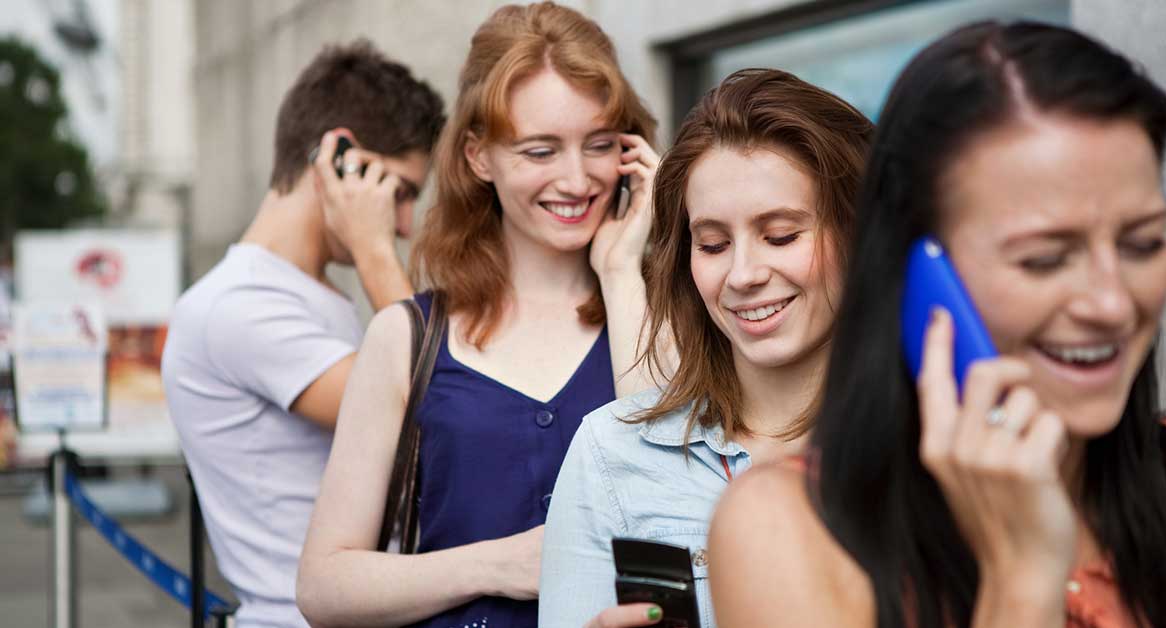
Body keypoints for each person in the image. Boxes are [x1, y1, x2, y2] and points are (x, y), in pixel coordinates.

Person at [710, 21, 1166, 628]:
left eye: (1142, 243)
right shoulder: (787, 530)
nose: (1112, 303)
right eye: (1043, 258)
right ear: (915, 277)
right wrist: (1020, 577)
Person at [296, 4, 661, 628]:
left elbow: (669, 510)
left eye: (599, 145)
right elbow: (323, 585)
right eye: (541, 150)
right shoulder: (406, 336)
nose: (577, 178)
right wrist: (494, 565)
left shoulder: (664, 312)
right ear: (479, 157)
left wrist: (624, 271)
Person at [538, 68, 874, 628]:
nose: (742, 274)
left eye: (781, 236)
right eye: (713, 244)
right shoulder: (612, 451)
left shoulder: (938, 444)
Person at [161, 40, 444, 627]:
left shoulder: (306, 295)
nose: (404, 224)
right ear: (339, 156)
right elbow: (436, 410)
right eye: (401, 191)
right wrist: (372, 251)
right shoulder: (239, 308)